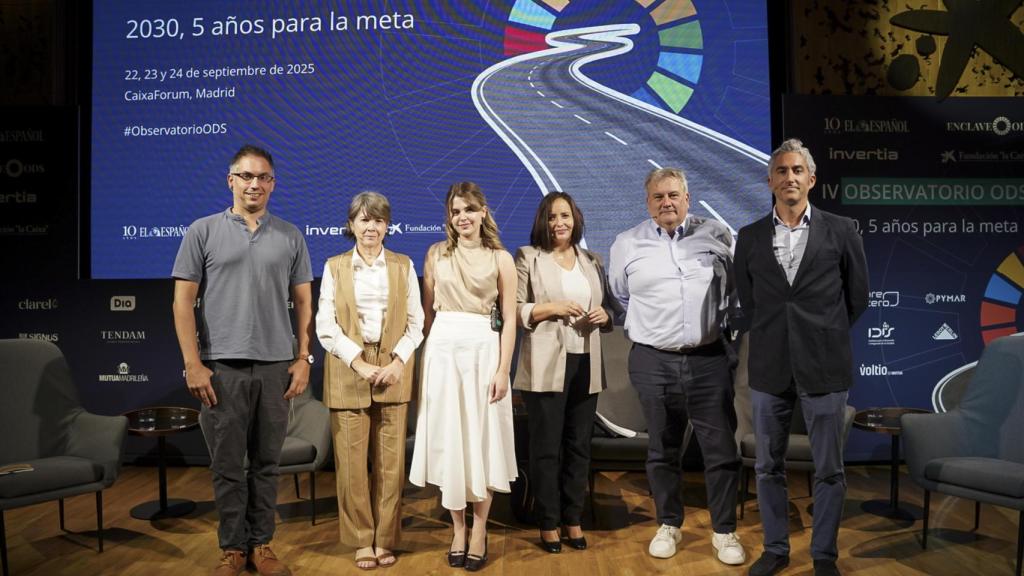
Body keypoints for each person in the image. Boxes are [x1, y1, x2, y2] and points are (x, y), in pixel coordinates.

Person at [172, 145, 313, 576]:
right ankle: (232, 548)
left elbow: (304, 300)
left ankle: (262, 545)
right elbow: (182, 301)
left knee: (267, 464)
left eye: (264, 177)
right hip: (221, 367)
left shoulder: (289, 235)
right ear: (230, 180)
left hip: (275, 366)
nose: (255, 185)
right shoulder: (203, 230)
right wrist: (193, 364)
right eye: (247, 176)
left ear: (273, 183)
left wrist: (303, 356)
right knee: (229, 465)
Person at [734, 139, 868, 576]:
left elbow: (858, 297)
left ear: (811, 179)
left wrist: (819, 334)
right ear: (770, 180)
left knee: (829, 469)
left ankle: (823, 555)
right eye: (781, 171)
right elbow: (749, 303)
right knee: (768, 466)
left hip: (825, 365)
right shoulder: (750, 236)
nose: (789, 177)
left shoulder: (842, 230)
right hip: (769, 368)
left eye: (797, 171)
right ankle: (775, 549)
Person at [608, 167, 746, 565]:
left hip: (708, 359)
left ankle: (724, 531)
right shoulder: (626, 243)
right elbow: (621, 295)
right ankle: (668, 523)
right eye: (658, 197)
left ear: (687, 198)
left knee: (720, 450)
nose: (666, 202)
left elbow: (735, 290)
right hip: (653, 360)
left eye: (673, 195)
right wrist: (659, 328)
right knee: (662, 449)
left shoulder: (718, 234)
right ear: (648, 204)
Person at [409, 181, 518, 572]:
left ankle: (480, 528)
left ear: (483, 212)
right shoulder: (435, 254)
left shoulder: (501, 258)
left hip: (483, 352)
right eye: (456, 212)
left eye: (469, 209)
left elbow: (508, 322)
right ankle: (457, 527)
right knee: (451, 441)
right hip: (442, 352)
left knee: (481, 442)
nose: (463, 217)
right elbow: (425, 317)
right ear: (449, 217)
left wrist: (503, 369)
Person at [315, 191, 424, 570]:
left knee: (391, 466)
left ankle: (385, 539)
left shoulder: (402, 265)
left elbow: (417, 323)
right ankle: (362, 540)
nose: (371, 227)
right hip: (349, 368)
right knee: (350, 464)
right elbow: (325, 327)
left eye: (377, 220)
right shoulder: (334, 267)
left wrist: (397, 363)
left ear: (386, 225)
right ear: (351, 225)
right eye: (363, 220)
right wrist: (358, 363)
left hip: (394, 368)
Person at [513, 192, 617, 553]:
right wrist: (549, 308)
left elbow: (608, 308)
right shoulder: (529, 257)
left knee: (578, 447)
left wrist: (606, 316)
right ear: (543, 220)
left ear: (576, 220)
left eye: (566, 216)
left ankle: (573, 519)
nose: (560, 223)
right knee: (546, 449)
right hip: (546, 365)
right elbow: (513, 309)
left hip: (587, 363)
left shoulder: (591, 259)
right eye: (553, 217)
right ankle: (548, 523)